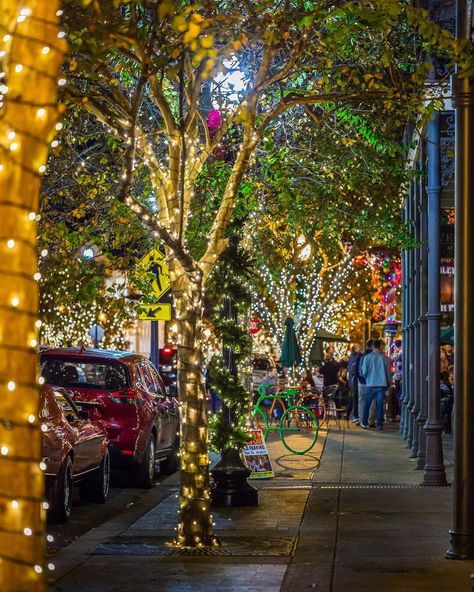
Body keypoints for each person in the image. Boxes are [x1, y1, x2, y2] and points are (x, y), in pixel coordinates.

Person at [359, 338, 392, 430]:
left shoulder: (367, 358)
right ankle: (380, 424)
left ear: (373, 346)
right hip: (381, 385)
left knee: (367, 404)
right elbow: (388, 373)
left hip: (370, 384)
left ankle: (364, 422)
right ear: (380, 346)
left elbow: (364, 372)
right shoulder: (385, 358)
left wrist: (367, 378)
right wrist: (388, 383)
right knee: (380, 405)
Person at [355, 339, 374, 421]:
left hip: (362, 381)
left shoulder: (361, 355)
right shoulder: (375, 356)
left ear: (366, 346)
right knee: (372, 401)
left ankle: (362, 419)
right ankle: (370, 419)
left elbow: (356, 368)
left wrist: (358, 378)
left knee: (362, 401)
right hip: (373, 382)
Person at [347, 344, 361, 423]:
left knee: (353, 398)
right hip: (354, 381)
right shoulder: (356, 357)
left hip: (352, 381)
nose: (360, 348)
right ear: (355, 349)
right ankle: (354, 415)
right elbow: (353, 370)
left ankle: (351, 414)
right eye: (358, 347)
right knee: (354, 398)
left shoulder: (352, 357)